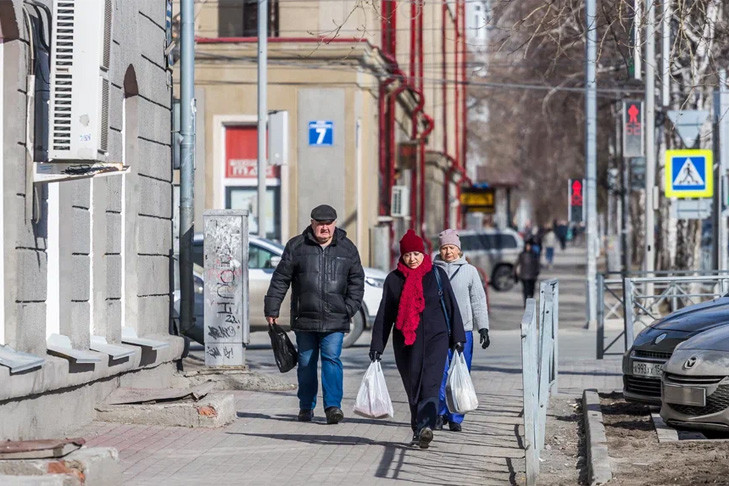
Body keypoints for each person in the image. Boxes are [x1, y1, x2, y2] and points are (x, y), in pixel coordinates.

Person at [264, 204, 364, 424]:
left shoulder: (347, 249)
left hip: (335, 318)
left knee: (331, 359)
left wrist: (348, 309)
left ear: (335, 224)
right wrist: (272, 308)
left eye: (328, 224)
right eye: (320, 224)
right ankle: (306, 406)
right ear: (312, 224)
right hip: (305, 318)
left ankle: (333, 407)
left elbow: (357, 282)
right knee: (307, 363)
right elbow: (281, 279)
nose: (325, 228)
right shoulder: (296, 246)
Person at [369, 230, 466, 449]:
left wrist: (458, 338)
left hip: (436, 339)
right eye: (407, 255)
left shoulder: (436, 275)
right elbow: (385, 315)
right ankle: (418, 429)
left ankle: (425, 427)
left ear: (423, 254)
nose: (412, 259)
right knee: (413, 387)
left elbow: (452, 307)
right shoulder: (394, 280)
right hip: (406, 342)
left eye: (416, 254)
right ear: (401, 257)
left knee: (430, 384)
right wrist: (377, 346)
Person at [433, 229, 490, 432]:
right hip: (438, 330)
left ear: (459, 250)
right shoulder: (432, 269)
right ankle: (439, 414)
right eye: (444, 248)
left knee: (460, 373)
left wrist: (483, 327)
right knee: (439, 373)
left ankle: (456, 416)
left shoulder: (469, 271)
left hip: (463, 330)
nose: (448, 252)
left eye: (452, 248)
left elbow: (478, 300)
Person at [515, 241, 541, 306]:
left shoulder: (534, 254)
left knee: (531, 289)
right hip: (524, 275)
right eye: (527, 246)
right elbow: (517, 264)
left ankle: (530, 300)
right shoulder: (522, 254)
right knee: (525, 290)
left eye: (529, 246)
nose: (528, 247)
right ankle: (526, 303)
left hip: (532, 275)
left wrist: (537, 272)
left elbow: (537, 264)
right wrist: (515, 273)